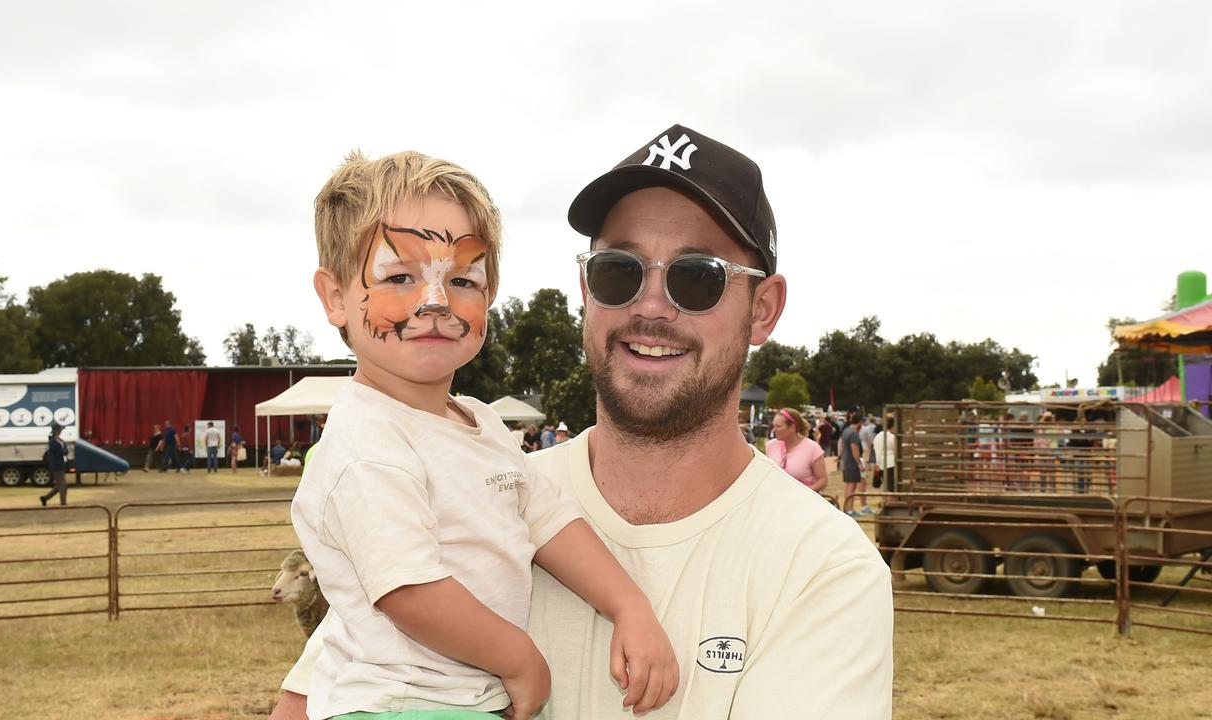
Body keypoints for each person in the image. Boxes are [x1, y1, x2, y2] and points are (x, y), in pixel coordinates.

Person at [273, 124, 891, 720]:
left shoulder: (822, 568)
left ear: (763, 309)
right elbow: (323, 690)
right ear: (585, 288)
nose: (652, 305)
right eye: (620, 271)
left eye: (697, 278)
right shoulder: (449, 491)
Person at [285, 149, 677, 720]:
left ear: (490, 293)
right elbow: (409, 591)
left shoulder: (480, 421)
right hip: (400, 705)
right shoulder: (368, 444)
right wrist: (521, 660)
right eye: (399, 277)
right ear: (334, 297)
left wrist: (627, 605)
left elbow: (548, 522)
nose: (437, 302)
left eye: (464, 278)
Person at [764, 408, 828, 492]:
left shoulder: (812, 448)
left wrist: (804, 493)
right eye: (774, 426)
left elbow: (823, 480)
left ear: (792, 427)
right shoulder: (770, 446)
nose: (774, 430)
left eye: (778, 426)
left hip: (803, 501)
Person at [840, 412, 872, 516]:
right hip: (853, 463)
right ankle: (849, 510)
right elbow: (855, 449)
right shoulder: (853, 433)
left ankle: (848, 508)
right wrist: (859, 464)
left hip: (846, 462)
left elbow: (843, 446)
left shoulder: (846, 431)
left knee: (849, 486)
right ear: (860, 422)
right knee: (852, 486)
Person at [39, 422, 69, 507]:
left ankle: (45, 498)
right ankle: (63, 502)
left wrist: (64, 451)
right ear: (56, 430)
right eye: (60, 429)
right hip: (56, 465)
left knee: (60, 485)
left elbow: (66, 450)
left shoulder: (59, 440)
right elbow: (61, 451)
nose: (61, 431)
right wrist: (64, 451)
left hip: (61, 463)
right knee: (63, 484)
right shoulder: (52, 441)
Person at [872, 416, 897, 491]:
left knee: (886, 487)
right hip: (891, 464)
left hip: (880, 465)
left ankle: (887, 502)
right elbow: (898, 449)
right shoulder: (892, 437)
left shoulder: (877, 436)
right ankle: (891, 502)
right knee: (892, 489)